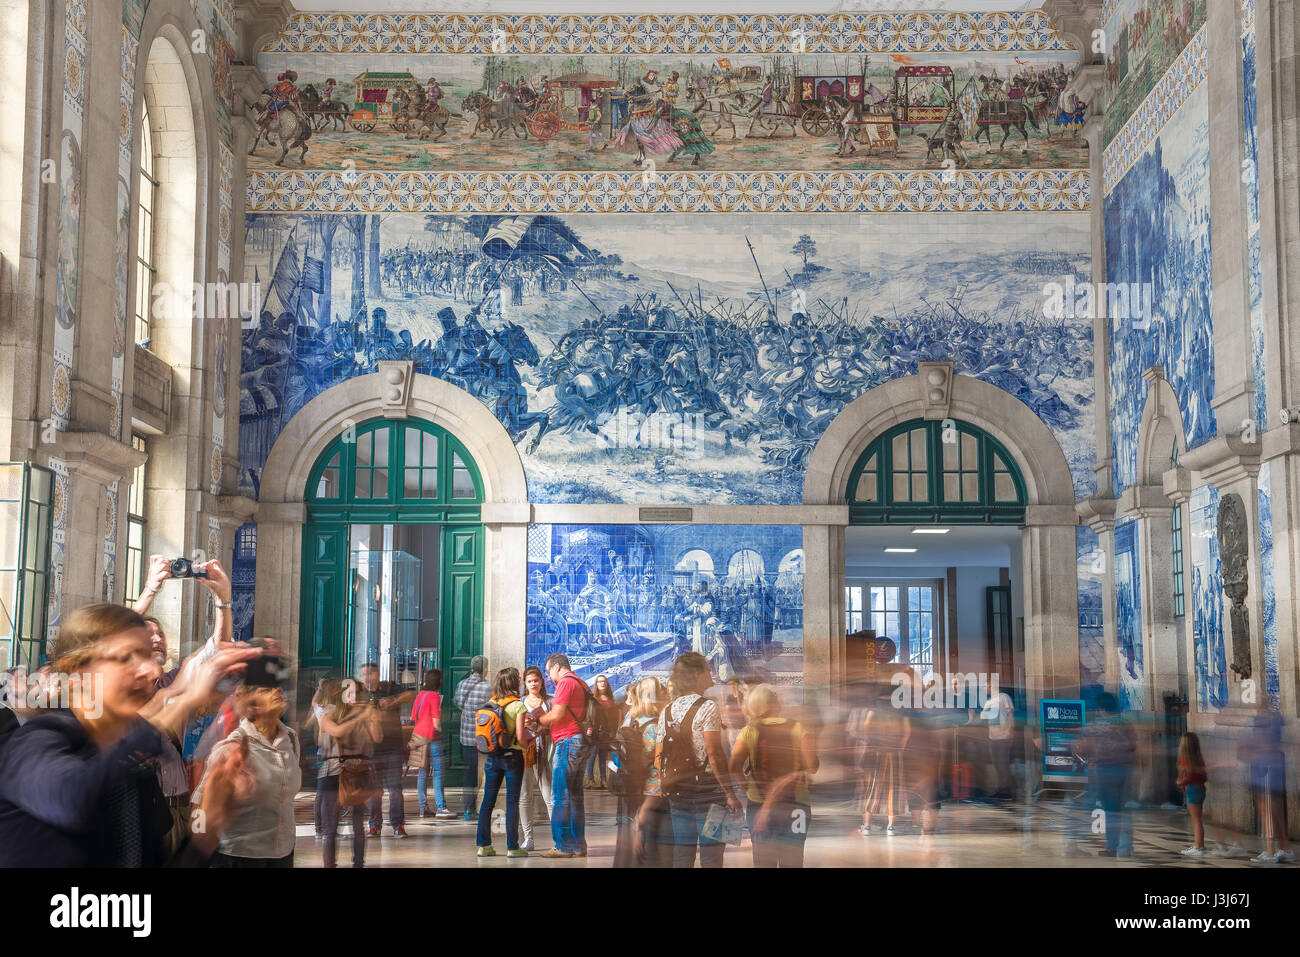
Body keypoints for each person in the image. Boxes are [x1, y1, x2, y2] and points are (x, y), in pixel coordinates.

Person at [0, 603, 261, 866]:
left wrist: (211, 824)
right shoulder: (35, 742)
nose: (152, 671)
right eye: (127, 657)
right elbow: (75, 800)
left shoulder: (135, 769)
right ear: (78, 671)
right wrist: (181, 700)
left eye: (148, 656)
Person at [195, 656, 299, 867]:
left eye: (277, 687)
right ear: (252, 704)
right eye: (265, 690)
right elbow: (199, 807)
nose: (277, 691)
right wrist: (197, 850)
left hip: (283, 851)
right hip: (241, 856)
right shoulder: (230, 749)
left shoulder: (291, 740)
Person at [655, 652, 741, 868]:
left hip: (678, 793)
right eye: (707, 668)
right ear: (696, 675)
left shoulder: (666, 710)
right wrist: (730, 793)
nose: (710, 672)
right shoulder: (708, 706)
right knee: (712, 857)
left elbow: (658, 759)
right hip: (709, 794)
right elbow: (714, 754)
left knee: (682, 856)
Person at [730, 683, 818, 867]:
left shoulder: (749, 731)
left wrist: (748, 787)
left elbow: (733, 767)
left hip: (759, 804)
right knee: (793, 860)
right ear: (773, 704)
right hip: (796, 805)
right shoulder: (797, 728)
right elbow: (812, 766)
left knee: (763, 861)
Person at [317, 679, 382, 868]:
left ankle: (358, 864)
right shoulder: (326, 714)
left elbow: (377, 737)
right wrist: (360, 717)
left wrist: (373, 717)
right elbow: (336, 731)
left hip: (357, 772)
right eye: (351, 694)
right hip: (332, 773)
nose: (355, 698)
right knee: (330, 827)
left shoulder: (362, 715)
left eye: (358, 694)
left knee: (358, 826)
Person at [534, 653, 591, 858]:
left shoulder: (566, 683)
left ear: (557, 667)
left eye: (549, 672)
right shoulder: (581, 682)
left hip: (568, 742)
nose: (549, 677)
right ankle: (578, 844)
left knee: (560, 796)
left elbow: (557, 714)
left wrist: (539, 721)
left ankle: (563, 846)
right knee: (575, 797)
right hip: (579, 741)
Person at [615, 676, 671, 868]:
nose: (664, 691)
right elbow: (656, 766)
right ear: (653, 695)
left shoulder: (629, 719)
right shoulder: (654, 726)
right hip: (649, 796)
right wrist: (647, 807)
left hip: (629, 790)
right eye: (661, 689)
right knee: (650, 854)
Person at [475, 667, 528, 858]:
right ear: (515, 684)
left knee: (488, 802)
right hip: (512, 757)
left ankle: (483, 846)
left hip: (491, 757)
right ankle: (512, 847)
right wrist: (531, 739)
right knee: (512, 801)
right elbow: (521, 739)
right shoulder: (518, 706)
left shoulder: (490, 704)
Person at [358, 661, 414, 838]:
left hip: (392, 748)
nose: (368, 677)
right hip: (369, 749)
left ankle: (398, 825)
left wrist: (393, 701)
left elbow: (411, 695)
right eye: (364, 674)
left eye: (371, 673)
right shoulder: (359, 695)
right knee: (374, 790)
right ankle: (374, 825)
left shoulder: (388, 688)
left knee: (395, 789)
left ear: (377, 674)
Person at [1088, 692, 1136, 857]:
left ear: (1101, 708)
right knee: (1125, 808)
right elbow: (1133, 745)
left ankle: (1112, 847)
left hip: (1106, 770)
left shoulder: (1097, 725)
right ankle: (1126, 847)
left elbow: (1090, 747)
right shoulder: (1125, 723)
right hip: (1125, 769)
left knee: (1110, 810)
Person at [1244, 709, 1295, 863]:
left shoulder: (1268, 729)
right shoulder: (1272, 727)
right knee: (1274, 811)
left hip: (1266, 769)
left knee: (1268, 812)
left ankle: (1270, 850)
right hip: (1268, 768)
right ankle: (1283, 848)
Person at [859, 693, 910, 835]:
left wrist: (870, 743)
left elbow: (865, 727)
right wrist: (899, 748)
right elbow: (906, 733)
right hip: (893, 753)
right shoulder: (901, 708)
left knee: (871, 788)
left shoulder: (874, 706)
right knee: (893, 789)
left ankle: (867, 826)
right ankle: (890, 827)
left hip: (876, 753)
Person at [516, 665, 554, 851]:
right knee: (524, 795)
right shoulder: (520, 702)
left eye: (536, 680)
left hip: (544, 752)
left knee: (549, 795)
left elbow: (556, 724)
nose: (533, 684)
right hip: (524, 752)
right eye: (529, 681)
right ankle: (528, 837)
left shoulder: (550, 701)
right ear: (525, 683)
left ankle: (558, 837)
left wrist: (542, 723)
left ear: (542, 682)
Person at [410, 669, 453, 818]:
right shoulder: (434, 696)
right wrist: (442, 732)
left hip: (419, 736)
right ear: (438, 681)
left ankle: (423, 808)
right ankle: (441, 807)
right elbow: (436, 723)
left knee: (422, 772)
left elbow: (413, 716)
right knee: (438, 772)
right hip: (433, 737)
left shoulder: (420, 695)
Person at [454, 655, 491, 819]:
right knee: (485, 773)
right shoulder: (487, 687)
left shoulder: (462, 684)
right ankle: (483, 807)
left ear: (471, 668)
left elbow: (457, 703)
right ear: (485, 669)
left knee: (469, 772)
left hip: (466, 737)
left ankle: (469, 809)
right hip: (483, 737)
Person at [981, 676, 1015, 801]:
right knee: (996, 764)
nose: (985, 688)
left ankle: (1007, 790)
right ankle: (1001, 788)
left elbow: (1010, 716)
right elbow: (983, 717)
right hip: (992, 737)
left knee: (1003, 764)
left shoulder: (1004, 697)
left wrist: (1010, 732)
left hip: (1003, 736)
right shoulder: (988, 701)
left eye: (986, 686)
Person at [585, 674, 620, 789]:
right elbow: (589, 715)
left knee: (603, 757)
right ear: (596, 684)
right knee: (592, 755)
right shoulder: (593, 699)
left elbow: (614, 717)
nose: (602, 683)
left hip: (606, 731)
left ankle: (603, 780)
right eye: (600, 681)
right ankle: (590, 779)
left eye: (604, 681)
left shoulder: (610, 700)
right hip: (595, 732)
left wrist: (613, 730)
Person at [1176, 731, 1208, 857]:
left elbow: (1187, 776)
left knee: (1196, 820)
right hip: (1200, 789)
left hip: (1192, 789)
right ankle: (1199, 845)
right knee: (1198, 819)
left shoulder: (1185, 760)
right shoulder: (1198, 759)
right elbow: (1203, 776)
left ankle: (1199, 847)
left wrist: (1180, 781)